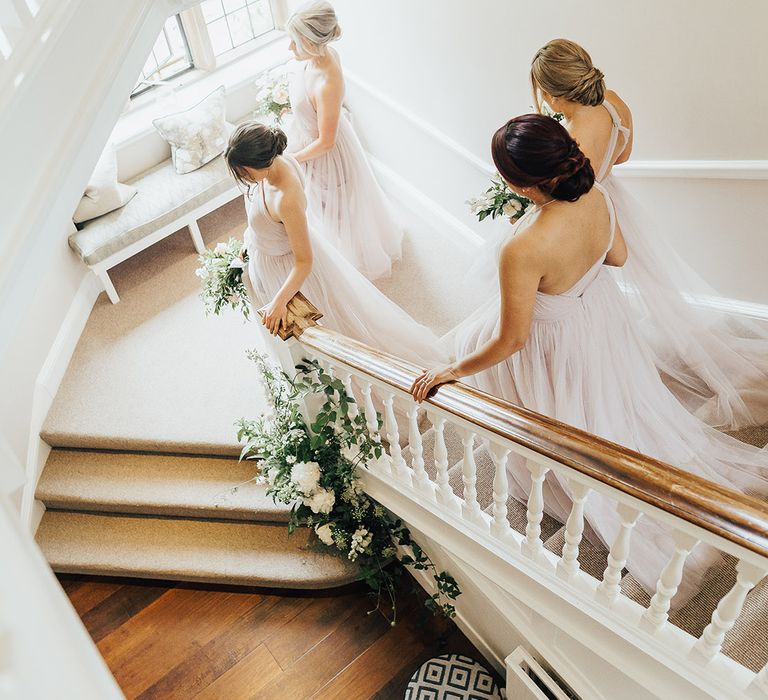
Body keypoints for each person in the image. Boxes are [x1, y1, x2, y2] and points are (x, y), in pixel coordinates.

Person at [411, 115, 766, 596]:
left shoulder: (522, 247)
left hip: (556, 341)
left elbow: (512, 339)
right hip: (598, 319)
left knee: (523, 383)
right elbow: (616, 258)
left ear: (518, 181)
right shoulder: (597, 194)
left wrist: (452, 369)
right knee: (610, 402)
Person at [529, 38, 768, 431]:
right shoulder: (613, 101)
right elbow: (623, 155)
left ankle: (596, 371)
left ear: (554, 94)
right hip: (613, 199)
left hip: (585, 214)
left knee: (578, 294)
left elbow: (569, 190)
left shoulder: (574, 129)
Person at [225, 121, 440, 368]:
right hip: (267, 256)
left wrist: (279, 301)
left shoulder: (287, 198)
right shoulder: (277, 165)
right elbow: (264, 216)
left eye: (245, 172)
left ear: (264, 161)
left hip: (286, 271)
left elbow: (304, 262)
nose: (244, 179)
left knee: (330, 336)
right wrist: (253, 237)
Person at [283, 0, 403, 280]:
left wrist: (292, 159)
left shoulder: (327, 81)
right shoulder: (318, 56)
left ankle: (356, 260)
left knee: (336, 211)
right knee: (318, 208)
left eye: (294, 41)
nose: (289, 48)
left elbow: (326, 142)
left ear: (311, 42)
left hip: (324, 154)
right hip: (306, 141)